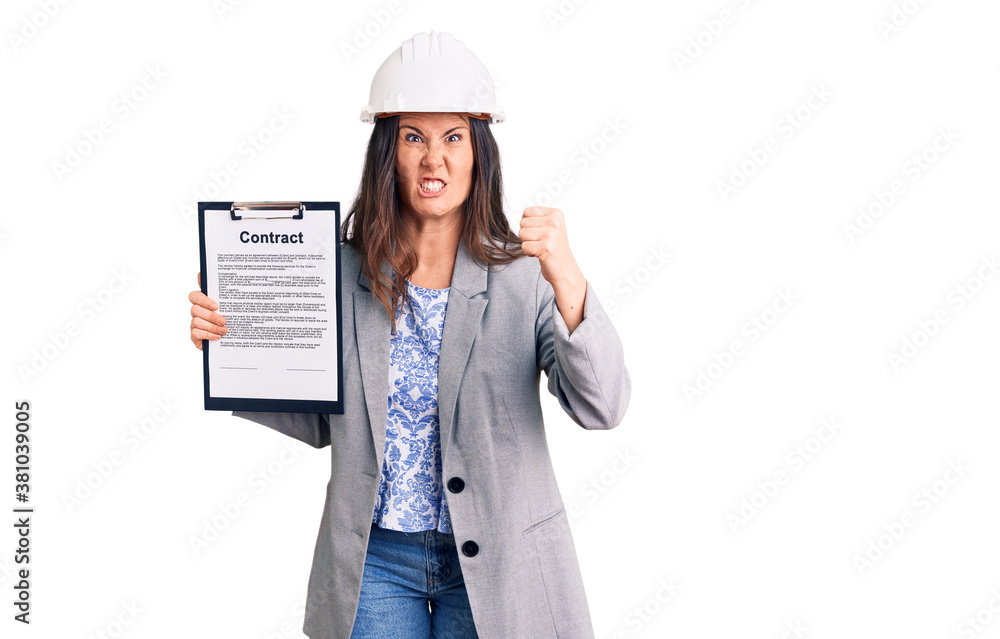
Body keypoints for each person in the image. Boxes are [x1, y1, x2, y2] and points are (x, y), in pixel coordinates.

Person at [188, 30, 631, 639]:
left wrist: (572, 284)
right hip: (375, 560)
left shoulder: (525, 277)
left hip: (500, 559)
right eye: (412, 137)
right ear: (385, 153)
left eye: (453, 137)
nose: (434, 160)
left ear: (479, 152)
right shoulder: (338, 272)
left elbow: (602, 406)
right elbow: (323, 420)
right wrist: (230, 348)